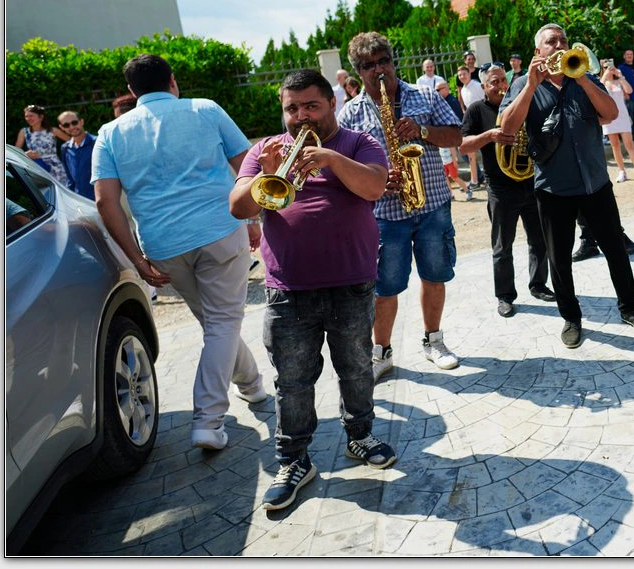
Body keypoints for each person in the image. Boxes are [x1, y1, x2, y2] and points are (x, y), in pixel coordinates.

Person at [228, 69, 396, 511]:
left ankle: (359, 436)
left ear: (331, 104)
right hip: (289, 289)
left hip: (351, 283)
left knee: (356, 368)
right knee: (292, 381)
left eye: (311, 106)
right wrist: (264, 176)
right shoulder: (264, 149)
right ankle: (293, 460)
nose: (301, 116)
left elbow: (375, 186)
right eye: (292, 108)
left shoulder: (358, 143)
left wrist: (331, 160)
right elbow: (237, 207)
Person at [92, 54, 266, 452]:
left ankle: (252, 384)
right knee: (221, 322)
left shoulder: (110, 133)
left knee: (215, 322)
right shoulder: (205, 109)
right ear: (172, 80)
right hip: (220, 230)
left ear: (132, 91)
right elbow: (248, 166)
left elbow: (105, 202)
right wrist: (253, 217)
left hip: (163, 246)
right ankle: (207, 420)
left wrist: (137, 259)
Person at [498, 23, 634, 348]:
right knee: (559, 259)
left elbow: (611, 113)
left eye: (563, 40)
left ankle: (629, 307)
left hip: (595, 182)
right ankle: (571, 318)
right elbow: (508, 128)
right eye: (551, 41)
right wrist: (531, 86)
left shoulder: (584, 76)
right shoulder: (522, 83)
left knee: (615, 249)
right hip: (553, 189)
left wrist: (583, 79)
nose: (559, 45)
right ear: (538, 51)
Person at [338, 32, 464, 379]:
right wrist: (376, 181)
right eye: (369, 65)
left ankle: (434, 341)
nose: (379, 70)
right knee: (384, 288)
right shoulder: (349, 114)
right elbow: (345, 168)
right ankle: (381, 351)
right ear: (358, 71)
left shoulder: (425, 95)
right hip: (384, 213)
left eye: (384, 61)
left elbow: (456, 136)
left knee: (434, 276)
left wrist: (422, 131)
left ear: (393, 61)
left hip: (432, 204)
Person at [460, 65, 554, 317]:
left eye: (504, 80)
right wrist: (490, 136)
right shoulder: (477, 110)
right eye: (494, 82)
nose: (501, 86)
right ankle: (505, 296)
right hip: (500, 188)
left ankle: (538, 284)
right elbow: (463, 145)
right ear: (484, 87)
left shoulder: (520, 100)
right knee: (503, 246)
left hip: (530, 182)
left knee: (539, 239)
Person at [601, 61, 634, 184]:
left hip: (622, 116)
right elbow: (599, 89)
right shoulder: (602, 82)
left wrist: (620, 76)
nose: (609, 68)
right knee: (615, 146)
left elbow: (629, 90)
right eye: (606, 67)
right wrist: (605, 75)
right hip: (609, 117)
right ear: (602, 68)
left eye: (610, 66)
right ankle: (622, 171)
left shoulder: (619, 81)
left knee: (629, 145)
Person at [16, 105, 71, 186]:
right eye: (26, 116)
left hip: (56, 168)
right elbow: (16, 152)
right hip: (37, 168)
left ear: (41, 117)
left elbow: (72, 142)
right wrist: (26, 154)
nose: (28, 118)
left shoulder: (53, 130)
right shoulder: (24, 132)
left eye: (31, 116)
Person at [455, 66, 485, 190]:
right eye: (460, 75)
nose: (462, 76)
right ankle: (474, 180)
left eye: (464, 74)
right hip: (472, 123)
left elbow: (485, 100)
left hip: (482, 122)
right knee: (470, 152)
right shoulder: (463, 90)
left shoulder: (477, 85)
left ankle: (480, 179)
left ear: (469, 74)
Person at [57, 109, 97, 199]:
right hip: (78, 199)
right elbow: (69, 177)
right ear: (61, 127)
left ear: (81, 122)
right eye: (66, 125)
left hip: (99, 198)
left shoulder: (97, 143)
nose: (71, 127)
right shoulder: (65, 148)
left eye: (74, 122)